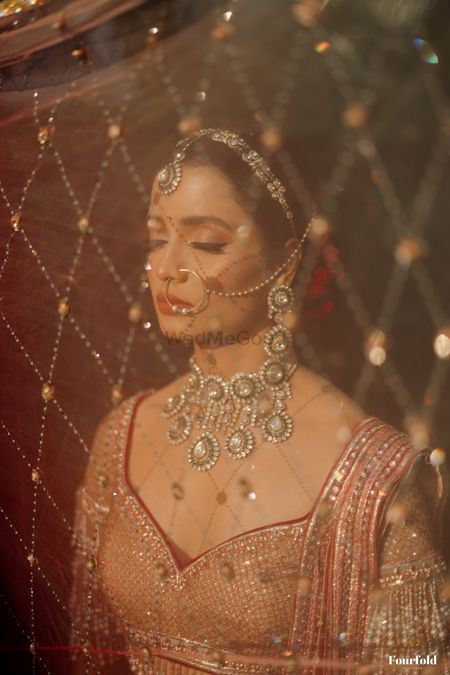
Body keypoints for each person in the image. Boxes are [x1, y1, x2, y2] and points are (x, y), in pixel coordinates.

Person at [70, 129, 450, 674]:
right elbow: (89, 651)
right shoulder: (122, 433)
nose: (167, 267)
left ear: (286, 262)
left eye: (204, 243)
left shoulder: (371, 477)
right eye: (157, 239)